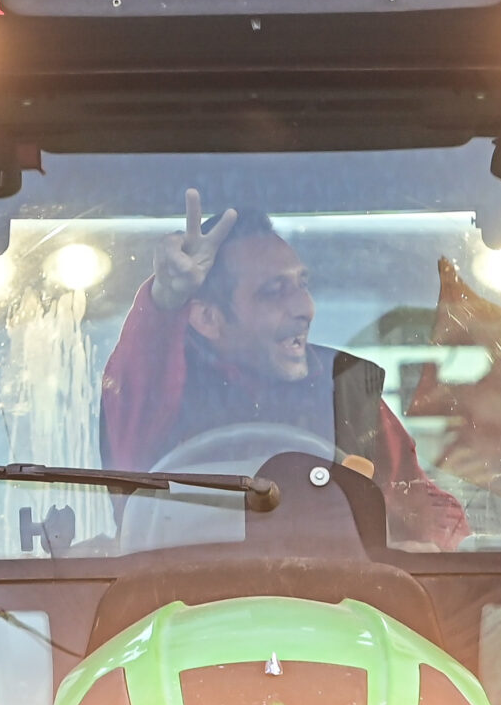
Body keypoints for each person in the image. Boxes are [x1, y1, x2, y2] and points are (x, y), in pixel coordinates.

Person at [100, 192, 469, 548]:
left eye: (302, 285)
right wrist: (165, 298)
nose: (304, 307)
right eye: (274, 291)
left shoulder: (347, 388)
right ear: (209, 319)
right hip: (175, 603)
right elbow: (141, 373)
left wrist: (420, 546)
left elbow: (425, 510)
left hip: (340, 606)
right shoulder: (161, 394)